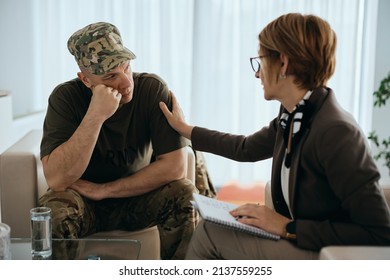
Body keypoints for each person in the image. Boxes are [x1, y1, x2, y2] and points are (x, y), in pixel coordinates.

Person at [160, 13, 390, 259]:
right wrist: (186, 130)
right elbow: (245, 148)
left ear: (283, 63)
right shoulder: (295, 114)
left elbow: (379, 231)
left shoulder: (336, 132)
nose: (257, 74)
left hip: (326, 254)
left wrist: (287, 227)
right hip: (303, 242)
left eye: (260, 61)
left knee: (209, 234)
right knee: (211, 225)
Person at [39, 22, 201, 260]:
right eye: (111, 76)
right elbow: (56, 178)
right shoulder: (65, 98)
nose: (126, 83)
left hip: (137, 200)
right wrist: (95, 116)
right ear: (86, 80)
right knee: (54, 209)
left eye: (126, 68)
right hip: (84, 204)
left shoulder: (152, 89)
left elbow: (175, 167)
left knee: (185, 193)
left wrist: (104, 190)